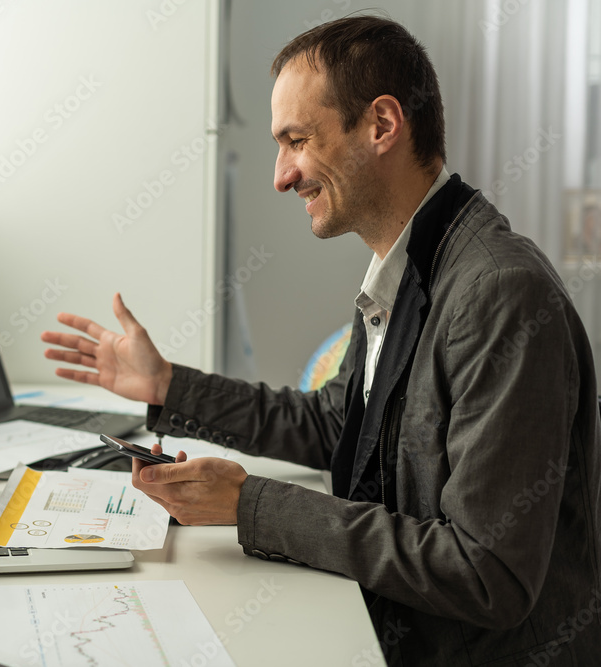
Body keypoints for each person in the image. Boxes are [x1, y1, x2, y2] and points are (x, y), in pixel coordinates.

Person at [41, 15, 601, 666]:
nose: (282, 176)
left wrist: (252, 504)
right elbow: (332, 421)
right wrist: (169, 386)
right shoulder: (412, 266)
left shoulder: (499, 295)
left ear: (382, 125)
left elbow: (487, 573)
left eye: (297, 140)